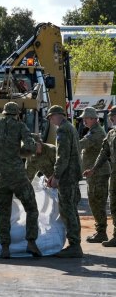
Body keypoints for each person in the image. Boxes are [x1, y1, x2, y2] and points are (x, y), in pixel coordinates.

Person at [0, 102, 42, 258]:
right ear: (17, 113)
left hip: (2, 177)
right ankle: (31, 242)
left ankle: (5, 247)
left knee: (3, 213)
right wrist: (20, 153)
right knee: (31, 208)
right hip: (18, 176)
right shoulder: (21, 126)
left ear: (4, 112)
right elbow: (32, 148)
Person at [46, 105, 83, 258]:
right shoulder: (71, 128)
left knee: (67, 210)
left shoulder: (62, 130)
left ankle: (74, 245)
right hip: (73, 174)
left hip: (67, 176)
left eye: (50, 117)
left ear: (57, 115)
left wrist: (56, 176)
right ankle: (76, 243)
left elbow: (62, 156)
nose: (50, 121)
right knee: (72, 209)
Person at [84, 106, 116, 247]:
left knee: (101, 203)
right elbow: (104, 154)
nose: (111, 118)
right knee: (113, 204)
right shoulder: (111, 134)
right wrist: (93, 169)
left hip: (106, 174)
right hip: (113, 174)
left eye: (113, 116)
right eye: (111, 116)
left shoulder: (100, 132)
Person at [78, 107, 111, 243]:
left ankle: (102, 232)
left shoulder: (96, 132)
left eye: (86, 118)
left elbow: (81, 144)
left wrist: (68, 143)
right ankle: (100, 231)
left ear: (93, 119)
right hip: (94, 173)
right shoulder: (92, 131)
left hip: (98, 173)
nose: (84, 121)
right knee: (94, 202)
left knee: (98, 203)